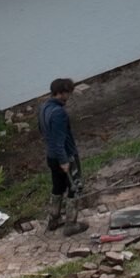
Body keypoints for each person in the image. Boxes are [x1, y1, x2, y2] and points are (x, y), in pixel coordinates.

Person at [39, 76, 84, 232]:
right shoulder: (59, 113)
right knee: (75, 186)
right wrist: (64, 161)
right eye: (67, 93)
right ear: (60, 93)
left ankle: (53, 220)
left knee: (58, 187)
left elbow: (44, 132)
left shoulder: (44, 107)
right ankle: (71, 225)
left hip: (51, 156)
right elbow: (59, 140)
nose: (69, 96)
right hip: (65, 156)